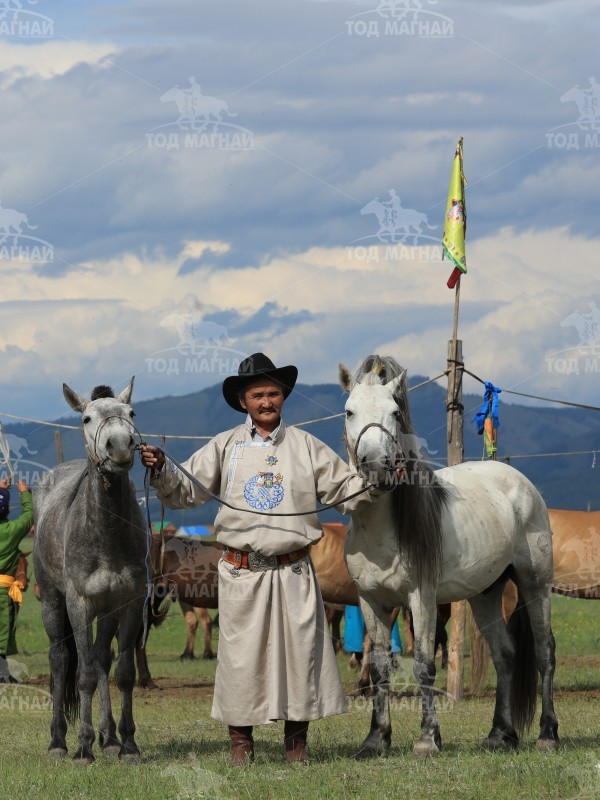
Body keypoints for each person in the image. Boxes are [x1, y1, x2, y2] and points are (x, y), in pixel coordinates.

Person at [141, 353, 383, 765]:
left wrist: (380, 479)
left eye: (273, 393)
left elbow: (346, 490)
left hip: (294, 570)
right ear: (243, 401)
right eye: (258, 395)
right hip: (241, 571)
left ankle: (296, 746)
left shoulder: (307, 446)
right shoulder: (224, 446)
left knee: (299, 654)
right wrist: (163, 467)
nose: (266, 401)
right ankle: (241, 746)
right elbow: (186, 489)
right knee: (241, 659)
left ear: (283, 397)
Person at [0, 478, 33, 684]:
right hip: (2, 591)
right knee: (1, 632)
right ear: (6, 511)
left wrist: (1, 489)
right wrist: (24, 492)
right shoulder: (12, 530)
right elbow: (29, 515)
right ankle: (2, 675)